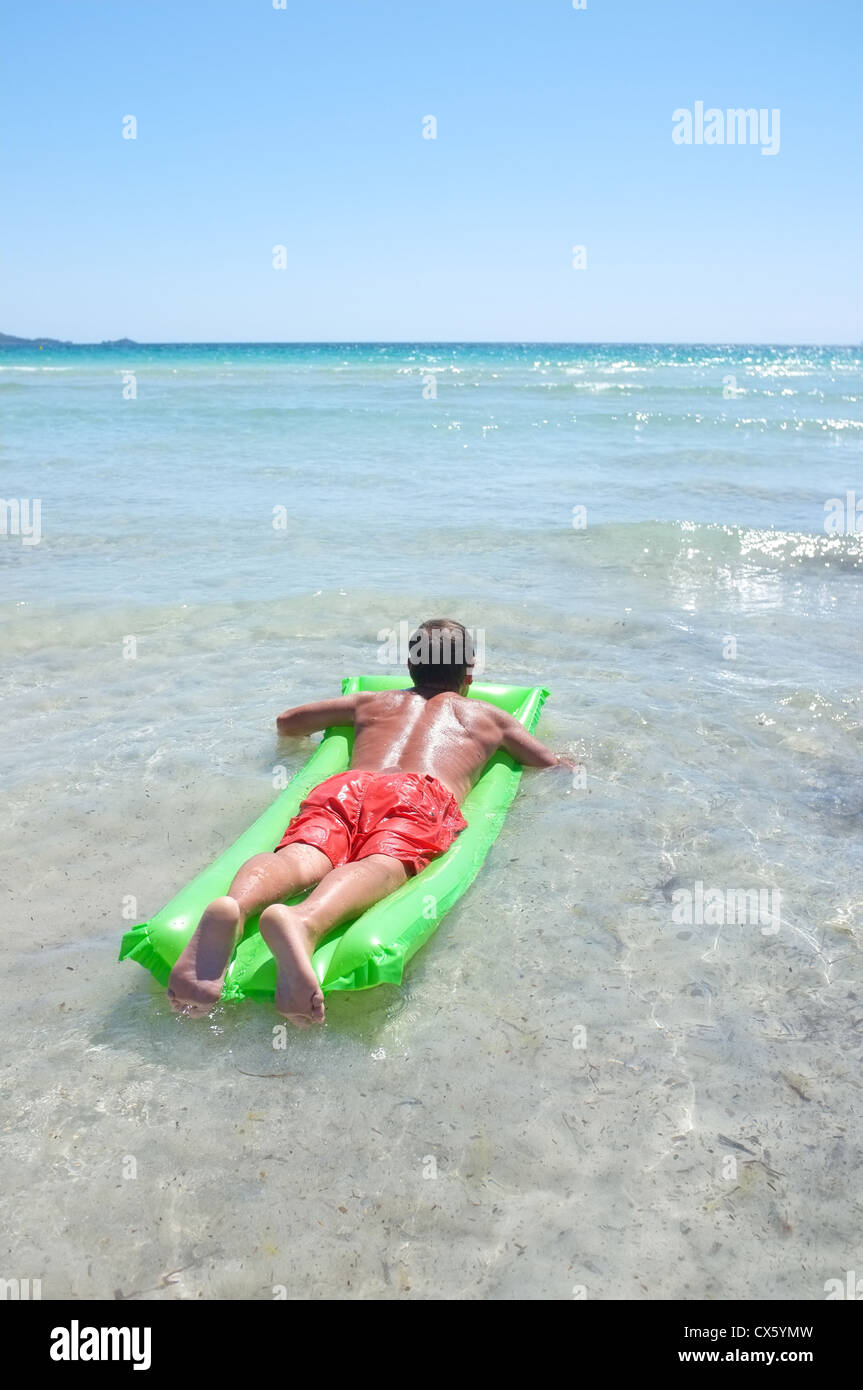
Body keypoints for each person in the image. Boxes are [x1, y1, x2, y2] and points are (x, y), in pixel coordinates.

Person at [167, 618, 574, 1026]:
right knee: (378, 863)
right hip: (418, 794)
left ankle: (235, 907)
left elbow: (288, 722)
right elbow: (549, 765)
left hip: (349, 785)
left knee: (303, 853)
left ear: (410, 667)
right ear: (469, 673)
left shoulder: (373, 702)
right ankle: (304, 922)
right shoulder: (488, 716)